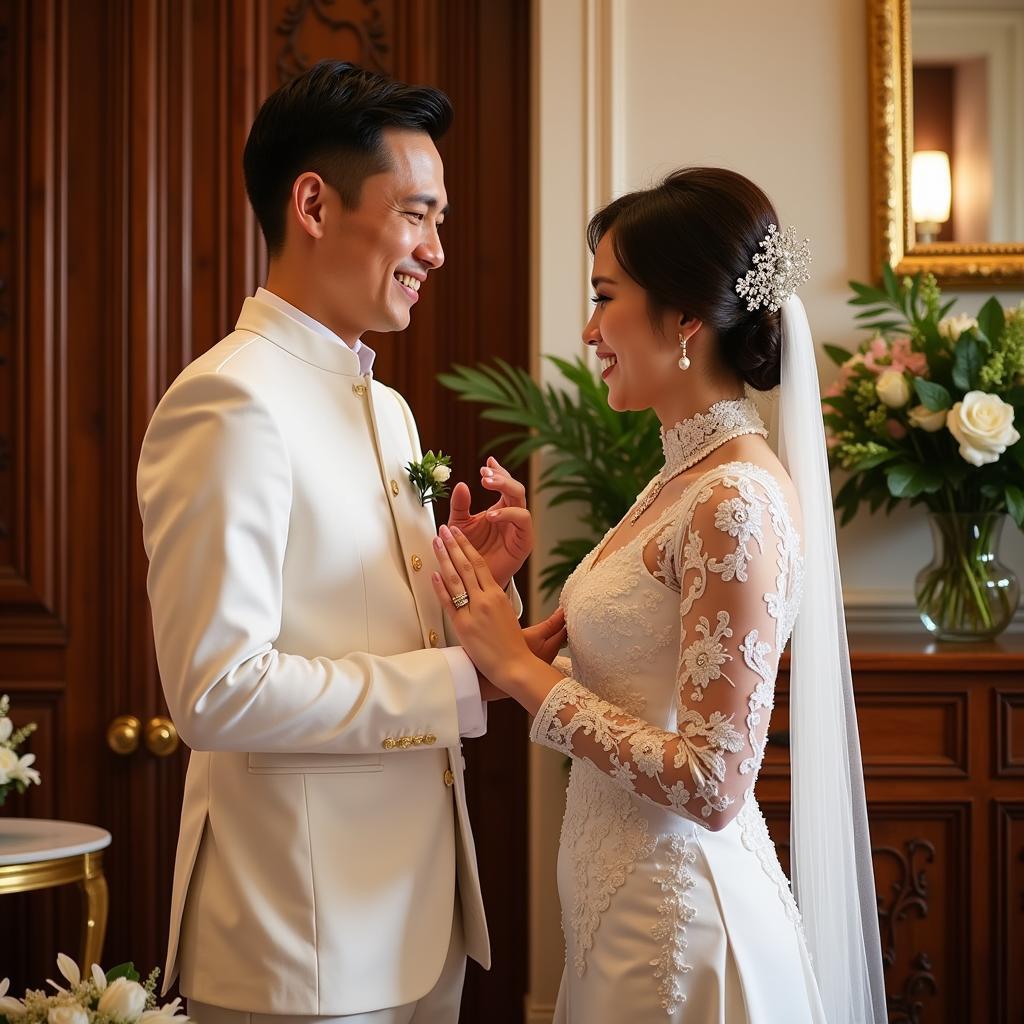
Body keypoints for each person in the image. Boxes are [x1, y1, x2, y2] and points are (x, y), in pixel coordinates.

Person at [137, 61, 565, 1024]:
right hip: (301, 942)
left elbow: (362, 628)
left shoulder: (394, 409)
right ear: (315, 205)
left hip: (422, 920)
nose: (437, 250)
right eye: (417, 214)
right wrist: (462, 686)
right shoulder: (228, 400)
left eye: (440, 220)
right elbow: (218, 687)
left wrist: (467, 606)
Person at [431, 168, 887, 1023]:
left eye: (606, 296)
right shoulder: (684, 478)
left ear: (682, 319)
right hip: (624, 917)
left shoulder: (734, 500)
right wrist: (501, 632)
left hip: (682, 934)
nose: (589, 329)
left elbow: (715, 783)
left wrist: (521, 674)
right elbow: (638, 674)